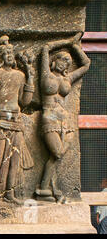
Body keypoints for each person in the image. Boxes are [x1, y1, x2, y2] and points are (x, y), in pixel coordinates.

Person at [35, 33, 91, 202]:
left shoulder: (68, 78)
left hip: (65, 121)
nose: (64, 63)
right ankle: (47, 188)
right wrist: (66, 41)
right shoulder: (46, 75)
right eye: (61, 59)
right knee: (57, 153)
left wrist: (75, 46)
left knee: (56, 156)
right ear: (54, 60)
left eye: (67, 61)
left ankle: (45, 189)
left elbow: (86, 64)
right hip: (49, 118)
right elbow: (45, 48)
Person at [0, 35, 34, 205]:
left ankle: (9, 193)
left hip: (16, 122)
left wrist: (30, 75)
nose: (10, 56)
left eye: (11, 53)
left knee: (14, 160)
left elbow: (24, 102)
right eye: (6, 53)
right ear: (0, 57)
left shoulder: (20, 75)